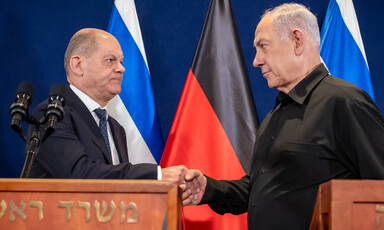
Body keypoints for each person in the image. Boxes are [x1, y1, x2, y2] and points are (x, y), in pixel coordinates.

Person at [182, 3, 384, 229]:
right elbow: (259, 191)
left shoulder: (345, 102)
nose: (256, 61)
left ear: (297, 41)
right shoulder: (274, 116)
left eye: (263, 47)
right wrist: (209, 189)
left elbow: (379, 192)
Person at [28, 28, 186, 183]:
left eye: (121, 61)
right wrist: (156, 175)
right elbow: (79, 174)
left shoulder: (115, 127)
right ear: (78, 65)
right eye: (110, 60)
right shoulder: (51, 115)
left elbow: (119, 187)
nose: (121, 68)